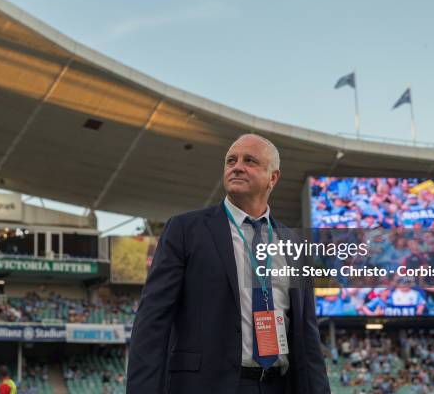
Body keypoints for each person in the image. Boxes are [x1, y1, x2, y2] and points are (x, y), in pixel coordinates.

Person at [127, 134, 330, 393]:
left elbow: (307, 337)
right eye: (231, 160)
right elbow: (152, 323)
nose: (237, 166)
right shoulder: (185, 230)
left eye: (250, 160)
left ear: (273, 178)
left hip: (278, 385)